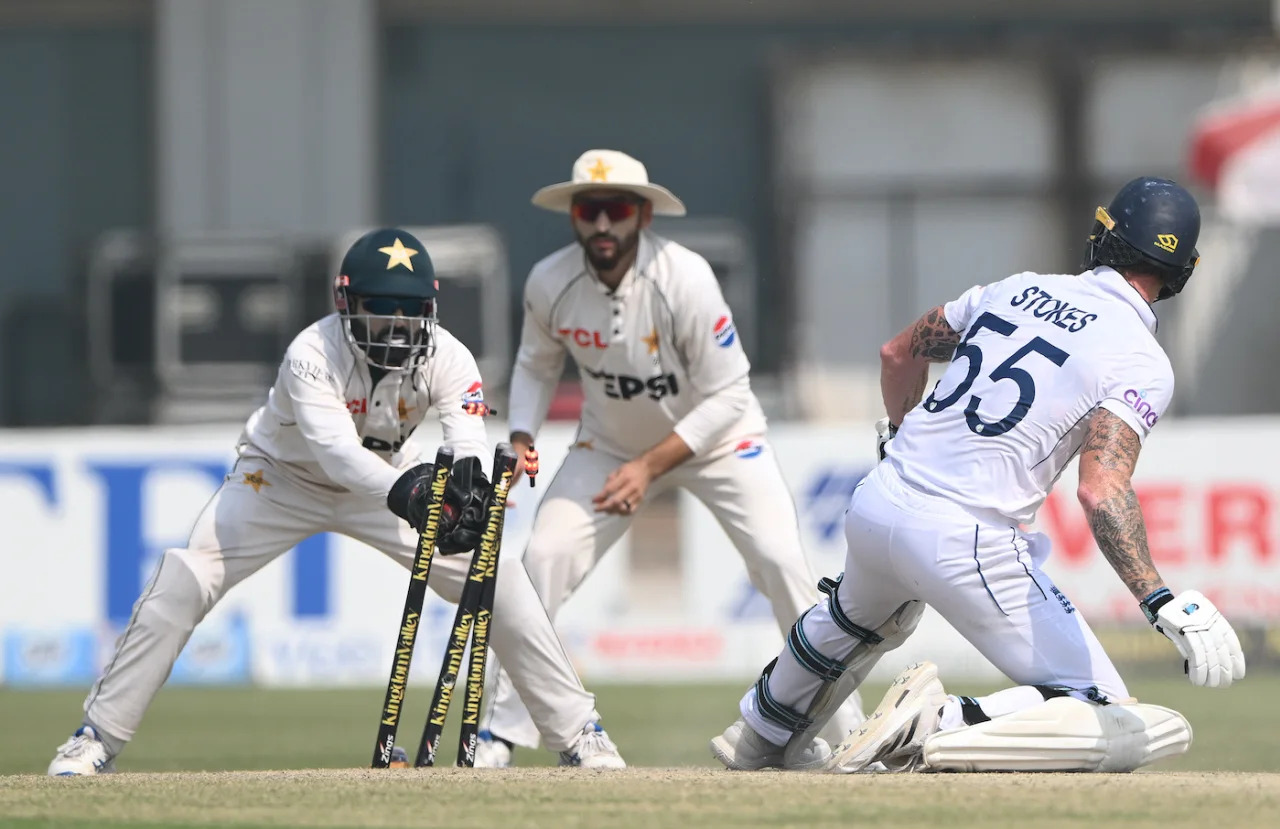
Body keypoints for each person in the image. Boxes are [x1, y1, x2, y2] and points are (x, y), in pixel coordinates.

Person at [710, 177, 1247, 774]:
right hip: (966, 535)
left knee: (852, 619)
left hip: (880, 496)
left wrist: (899, 439)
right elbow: (1100, 490)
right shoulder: (1143, 360)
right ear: (1182, 271)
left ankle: (757, 734)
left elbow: (897, 354)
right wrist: (1159, 597)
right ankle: (935, 722)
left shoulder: (1018, 289)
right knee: (1103, 708)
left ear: (1103, 236)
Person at [47, 228, 624, 776]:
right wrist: (413, 492)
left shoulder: (451, 357)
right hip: (278, 481)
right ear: (346, 301)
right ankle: (95, 737)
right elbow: (335, 454)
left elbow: (466, 440)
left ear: (431, 308)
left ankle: (580, 736)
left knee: (496, 576)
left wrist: (467, 489)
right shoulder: (310, 354)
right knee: (186, 578)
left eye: (410, 308)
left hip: (386, 481)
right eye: (380, 305)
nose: (396, 324)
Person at [474, 149, 864, 768]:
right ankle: (496, 737)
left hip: (722, 442)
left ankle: (849, 734)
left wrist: (650, 466)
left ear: (643, 215)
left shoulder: (683, 277)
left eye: (617, 209)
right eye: (589, 210)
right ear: (574, 216)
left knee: (780, 561)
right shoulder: (550, 281)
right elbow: (535, 363)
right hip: (608, 444)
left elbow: (731, 391)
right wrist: (521, 433)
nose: (603, 225)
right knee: (542, 561)